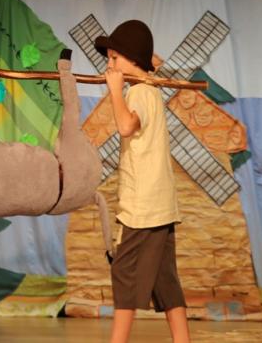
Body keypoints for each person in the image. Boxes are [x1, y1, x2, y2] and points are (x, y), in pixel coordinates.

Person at [95, 21, 190, 343]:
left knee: (124, 272)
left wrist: (115, 90)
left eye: (114, 58)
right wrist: (142, 70)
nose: (110, 65)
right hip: (159, 203)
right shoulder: (149, 89)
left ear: (132, 59)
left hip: (143, 206)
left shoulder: (138, 92)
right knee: (165, 279)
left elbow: (126, 126)